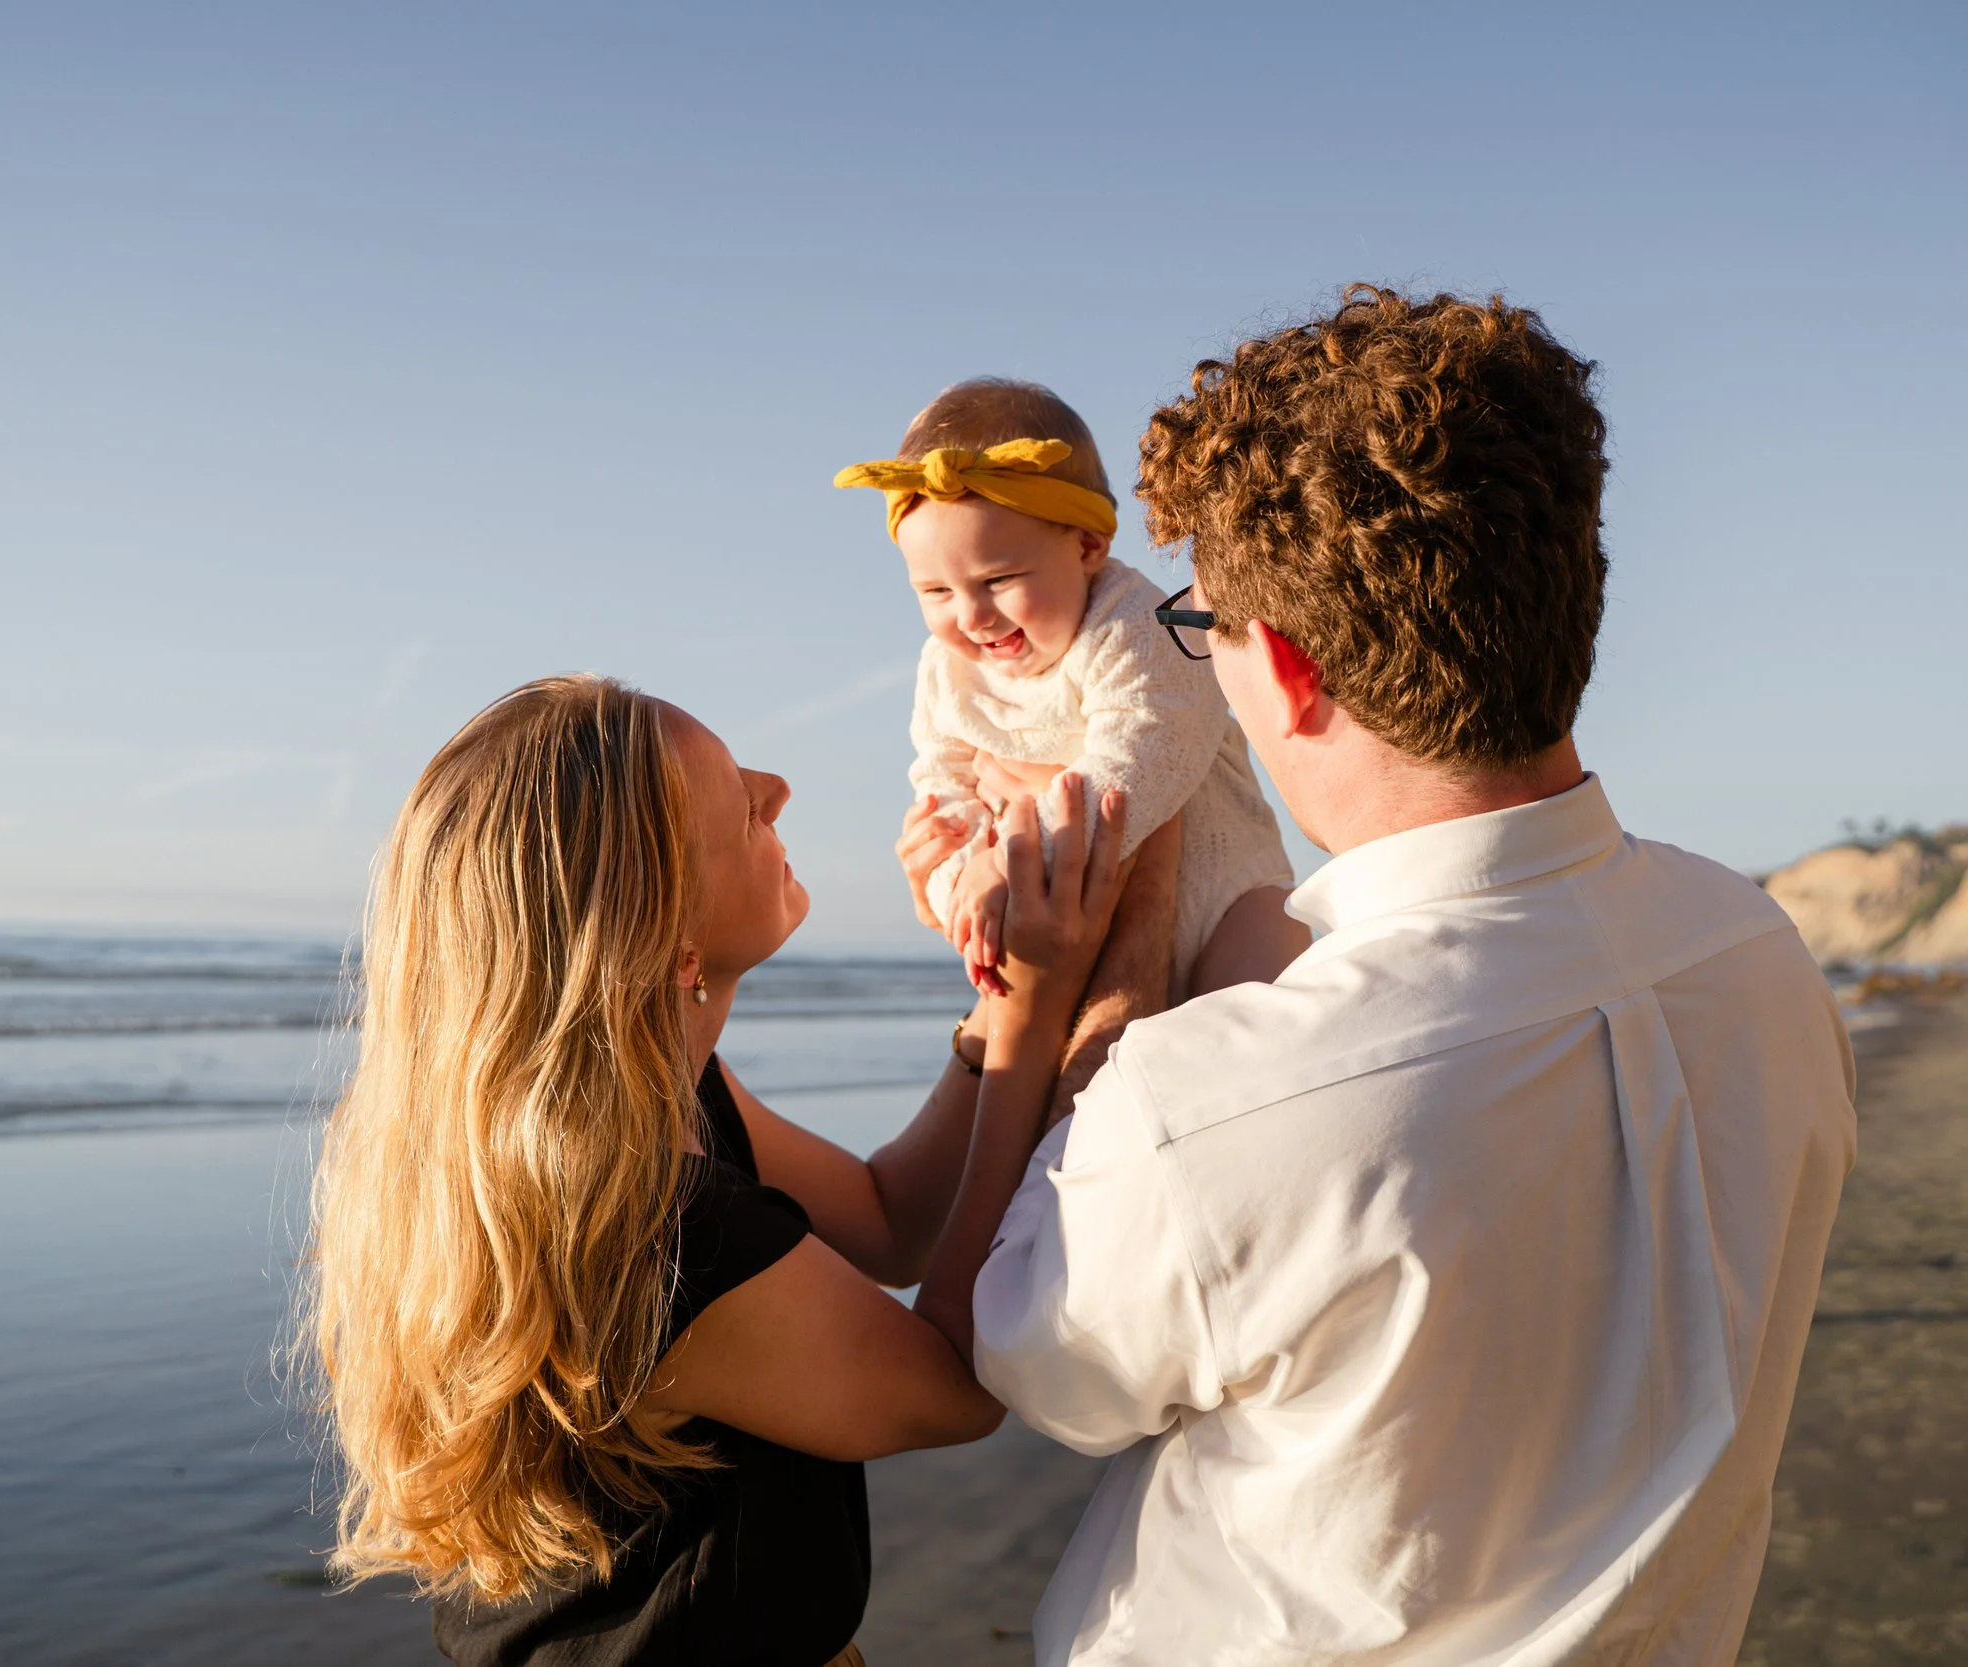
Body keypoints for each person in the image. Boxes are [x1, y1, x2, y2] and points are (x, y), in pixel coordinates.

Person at [918, 287, 1859, 1666]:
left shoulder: (1214, 1103)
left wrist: (1039, 997)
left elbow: (1000, 1351)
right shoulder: (1759, 956)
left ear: (1288, 673)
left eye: (1205, 628)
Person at [300, 675, 1148, 1667]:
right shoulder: (647, 1221)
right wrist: (1033, 1009)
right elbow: (956, 1385)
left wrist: (998, 1000)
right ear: (665, 927)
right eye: (743, 800)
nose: (779, 786)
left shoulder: (644, 1098)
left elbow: (886, 1218)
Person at [837, 378, 1308, 1025]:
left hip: (1219, 902)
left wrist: (1010, 860)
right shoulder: (946, 670)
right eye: (937, 591)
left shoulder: (1138, 624)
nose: (971, 615)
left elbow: (1142, 755)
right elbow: (941, 788)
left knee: (1257, 1019)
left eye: (997, 580)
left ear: (1087, 545)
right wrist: (965, 887)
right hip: (1070, 921)